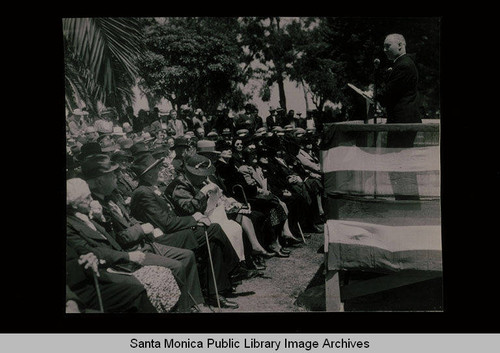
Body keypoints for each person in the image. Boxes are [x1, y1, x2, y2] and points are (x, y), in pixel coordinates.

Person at [128, 153, 241, 308]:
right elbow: (166, 223)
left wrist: (196, 220)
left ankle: (216, 291)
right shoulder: (143, 192)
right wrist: (194, 219)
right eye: (156, 169)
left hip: (171, 233)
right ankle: (234, 267)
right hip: (160, 240)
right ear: (147, 174)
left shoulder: (152, 189)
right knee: (213, 229)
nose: (160, 171)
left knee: (211, 238)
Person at [66, 178, 187, 312]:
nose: (91, 200)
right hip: (105, 268)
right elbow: (91, 250)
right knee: (147, 283)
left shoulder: (85, 214)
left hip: (120, 259)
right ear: (74, 204)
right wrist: (127, 256)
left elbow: (111, 240)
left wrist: (102, 219)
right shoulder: (70, 225)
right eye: (87, 198)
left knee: (164, 273)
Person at [376, 33, 421, 147]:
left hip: (402, 122)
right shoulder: (403, 63)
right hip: (403, 120)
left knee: (397, 157)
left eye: (388, 46)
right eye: (384, 46)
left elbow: (389, 93)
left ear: (400, 45)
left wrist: (373, 95)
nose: (384, 50)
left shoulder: (403, 65)